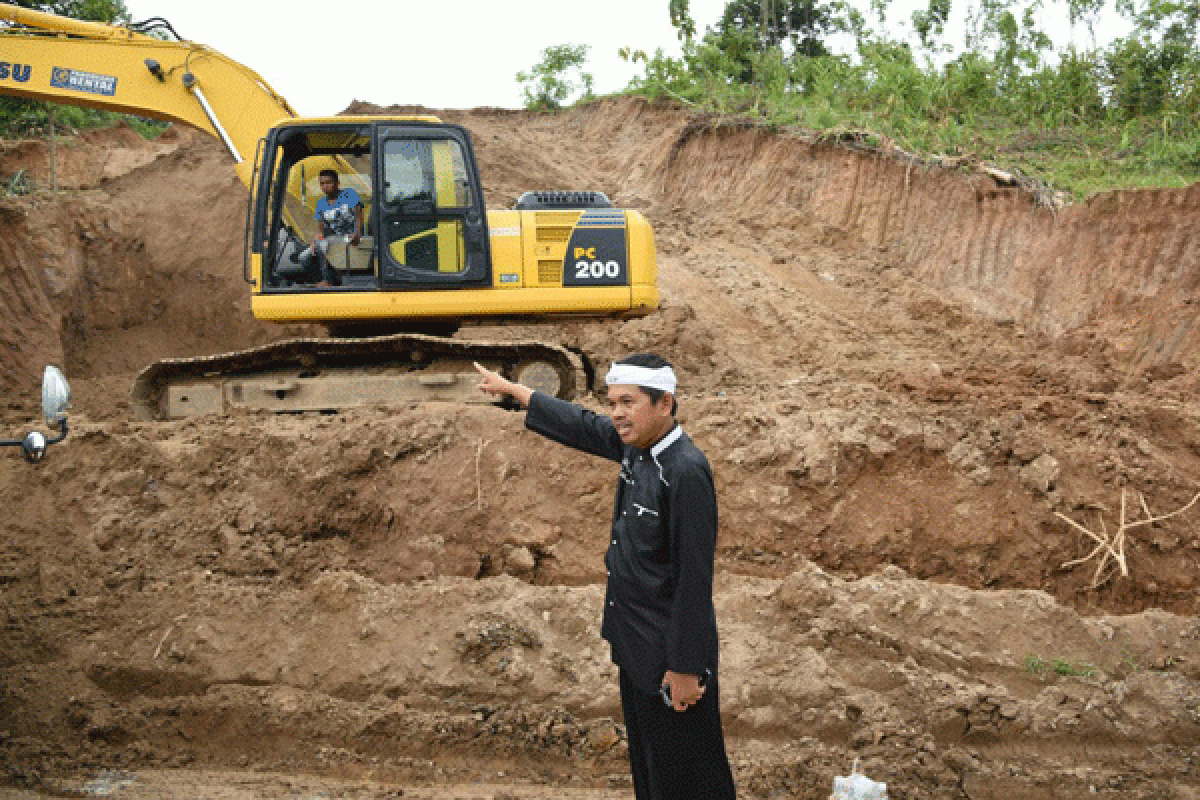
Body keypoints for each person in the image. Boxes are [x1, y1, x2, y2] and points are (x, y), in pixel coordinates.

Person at [474, 354, 737, 800]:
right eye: (613, 402)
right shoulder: (635, 448)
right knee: (653, 772)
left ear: (664, 403)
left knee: (691, 778)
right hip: (636, 648)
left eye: (628, 402)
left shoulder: (685, 472)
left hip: (670, 659)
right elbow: (582, 425)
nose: (616, 413)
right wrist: (518, 392)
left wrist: (687, 668)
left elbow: (694, 580)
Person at [299, 169, 364, 286]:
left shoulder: (349, 194)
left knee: (324, 246)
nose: (325, 186)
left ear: (337, 183)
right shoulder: (321, 203)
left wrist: (357, 234)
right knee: (304, 257)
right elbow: (321, 229)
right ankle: (321, 281)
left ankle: (327, 280)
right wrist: (316, 240)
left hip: (349, 237)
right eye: (322, 184)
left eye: (328, 182)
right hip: (332, 239)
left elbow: (359, 216)